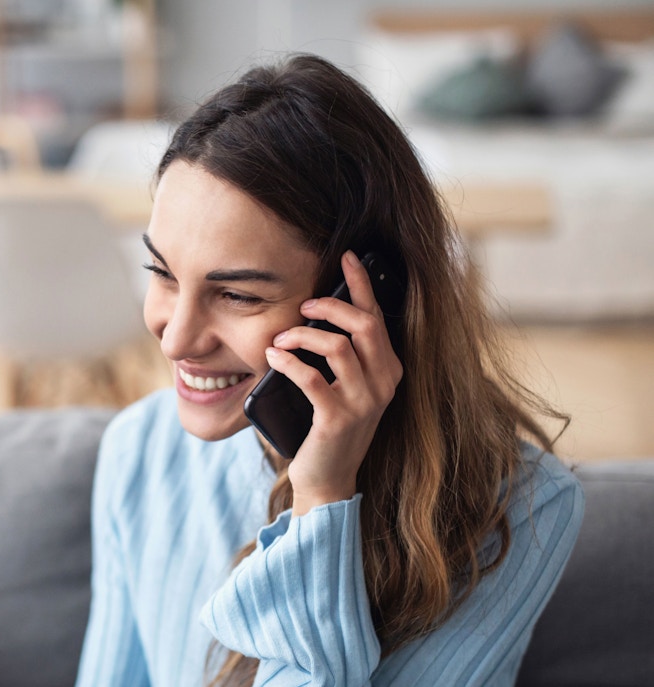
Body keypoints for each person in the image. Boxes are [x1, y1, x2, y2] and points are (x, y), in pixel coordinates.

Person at [74, 54, 584, 687]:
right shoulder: (138, 451)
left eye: (237, 295)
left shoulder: (525, 510)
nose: (175, 336)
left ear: (368, 302)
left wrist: (321, 501)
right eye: (162, 274)